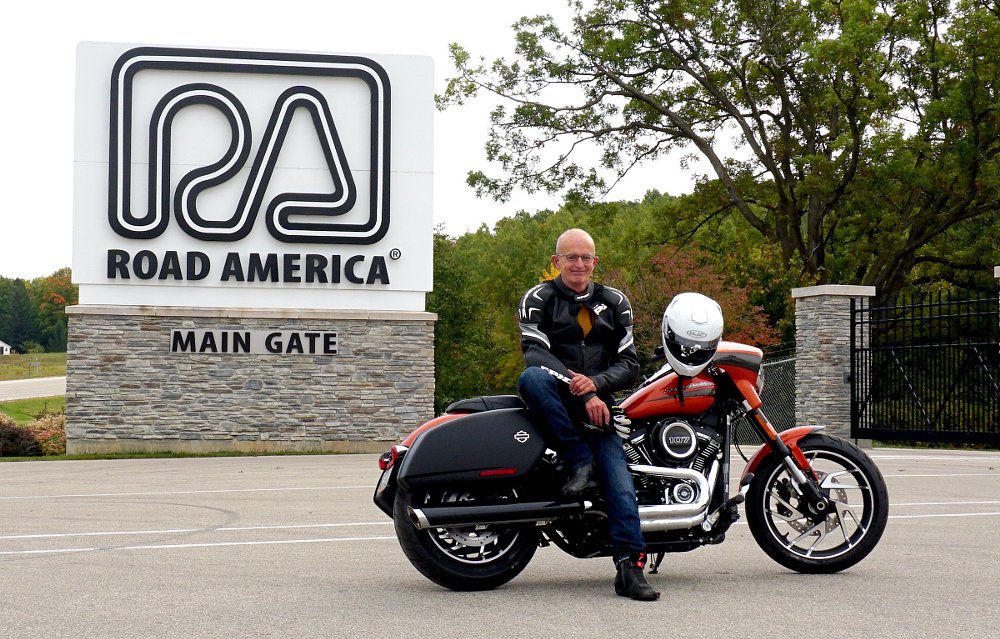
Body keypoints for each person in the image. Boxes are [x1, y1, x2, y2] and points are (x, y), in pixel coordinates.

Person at [516, 228, 659, 602]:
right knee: (530, 377)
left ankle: (630, 569)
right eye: (571, 257)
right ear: (556, 262)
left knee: (620, 483)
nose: (579, 264)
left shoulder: (614, 302)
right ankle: (579, 460)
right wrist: (582, 391)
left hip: (599, 410)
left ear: (595, 262)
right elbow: (535, 355)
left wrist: (594, 385)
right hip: (556, 404)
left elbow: (629, 364)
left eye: (586, 257)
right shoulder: (538, 299)